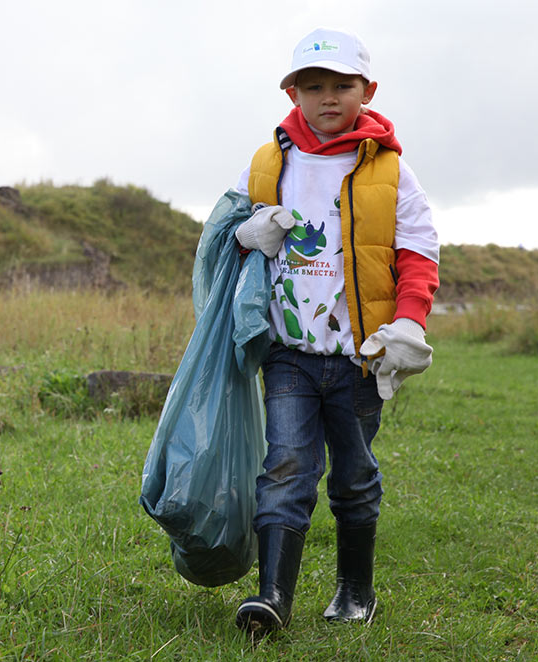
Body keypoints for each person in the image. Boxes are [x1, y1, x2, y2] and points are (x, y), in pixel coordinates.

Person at [229, 27, 440, 639]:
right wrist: (246, 235)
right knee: (287, 465)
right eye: (312, 86)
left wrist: (408, 321)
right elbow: (229, 227)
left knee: (353, 474)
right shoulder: (269, 162)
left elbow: (419, 248)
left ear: (366, 90)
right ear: (292, 93)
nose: (327, 97)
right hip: (290, 352)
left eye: (341, 85)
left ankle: (355, 590)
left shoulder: (391, 170)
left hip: (360, 357)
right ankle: (272, 598)